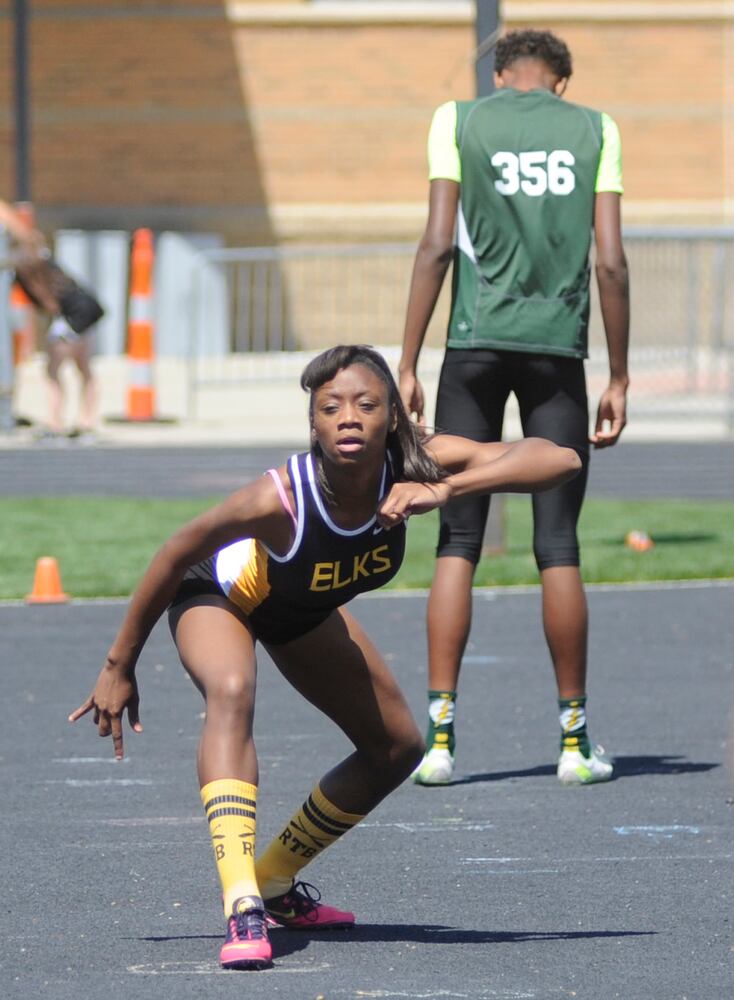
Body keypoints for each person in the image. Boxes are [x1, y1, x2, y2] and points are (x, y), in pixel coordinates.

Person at [69, 344, 580, 971]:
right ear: (312, 422)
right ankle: (242, 904)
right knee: (232, 690)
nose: (348, 417)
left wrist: (445, 488)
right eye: (330, 407)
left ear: (393, 416)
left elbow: (559, 457)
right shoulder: (277, 499)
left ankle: (275, 881)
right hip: (220, 594)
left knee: (397, 748)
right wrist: (119, 664)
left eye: (366, 404)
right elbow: (175, 552)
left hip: (300, 611)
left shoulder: (416, 463)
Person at [398, 28, 630, 787]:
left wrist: (405, 361)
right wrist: (619, 375)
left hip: (470, 344)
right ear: (561, 81)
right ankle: (573, 745)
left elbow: (436, 245)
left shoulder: (457, 120)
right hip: (557, 352)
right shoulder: (595, 128)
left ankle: (437, 743)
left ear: (500, 74)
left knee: (456, 538)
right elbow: (610, 260)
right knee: (557, 544)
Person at [0, 198, 99, 441]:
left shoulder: (26, 264)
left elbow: (49, 302)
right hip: (86, 307)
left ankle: (56, 423)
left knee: (52, 370)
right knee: (83, 367)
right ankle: (86, 420)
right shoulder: (39, 256)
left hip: (70, 314)